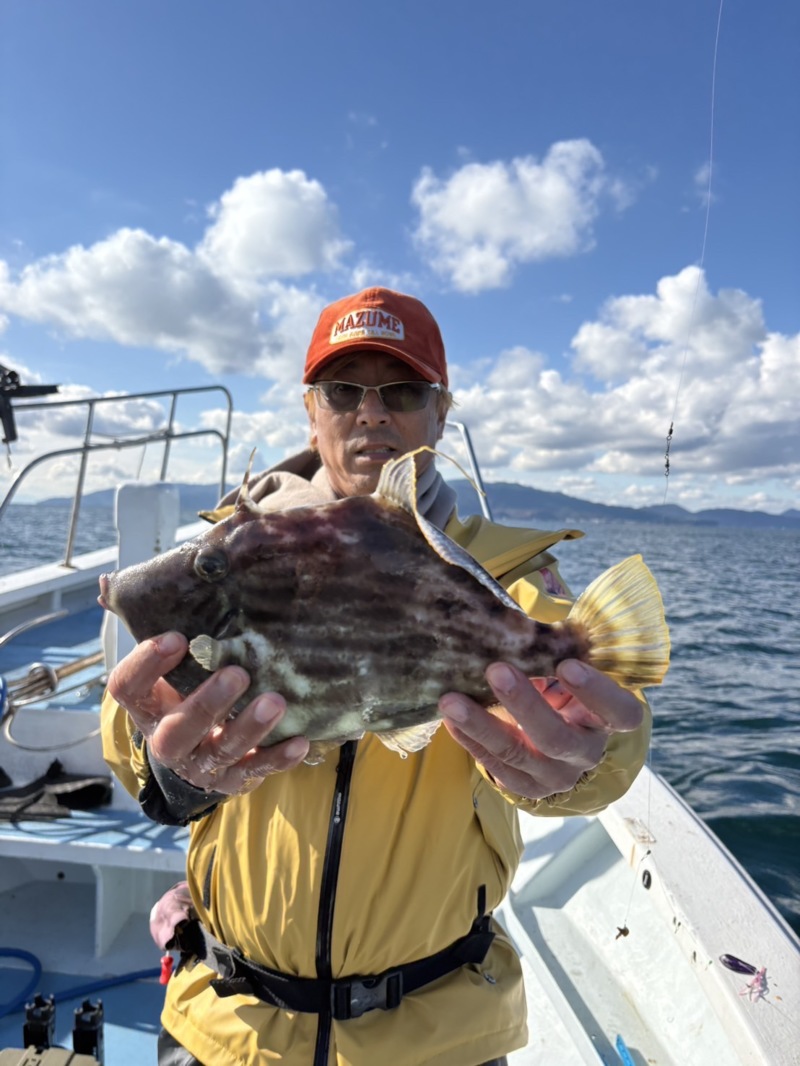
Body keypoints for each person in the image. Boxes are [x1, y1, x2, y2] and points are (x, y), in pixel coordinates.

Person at [101, 287, 650, 1066]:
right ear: (311, 409)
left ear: (439, 412)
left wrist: (583, 762)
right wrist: (169, 765)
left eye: (401, 391)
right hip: (230, 1023)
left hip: (438, 1034)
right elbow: (126, 727)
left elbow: (616, 716)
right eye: (343, 390)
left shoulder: (505, 576)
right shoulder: (224, 556)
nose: (371, 412)